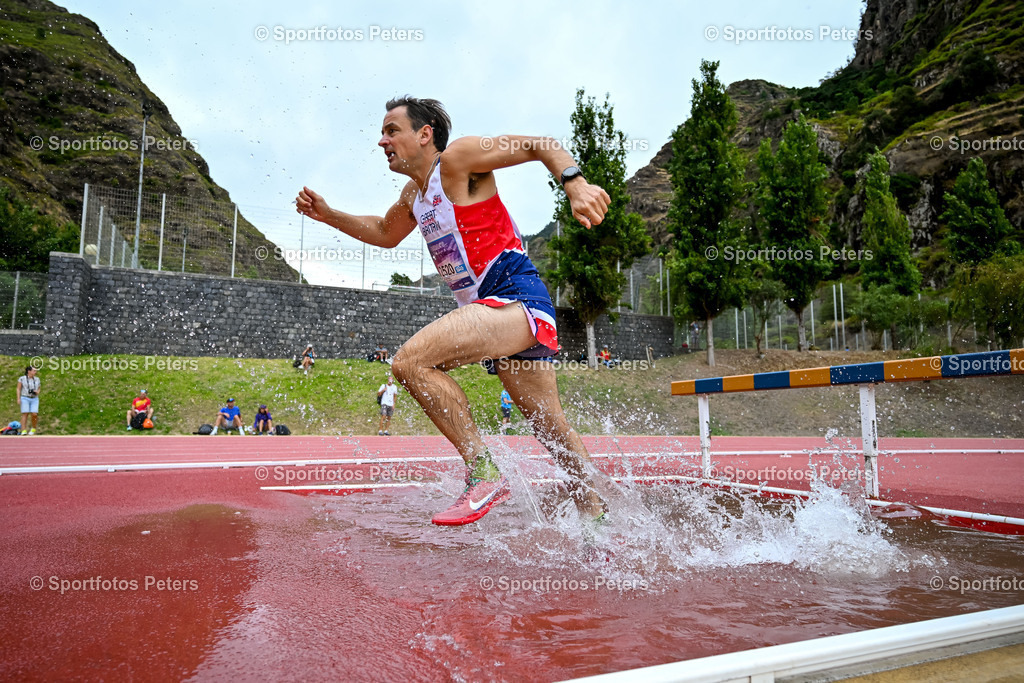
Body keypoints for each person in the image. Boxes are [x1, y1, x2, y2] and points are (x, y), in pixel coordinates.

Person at [297, 96, 610, 526]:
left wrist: (575, 183)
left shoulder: (459, 159)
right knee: (550, 428)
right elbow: (386, 233)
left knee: (409, 362)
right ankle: (598, 520)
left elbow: (541, 143)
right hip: (496, 312)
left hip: (514, 296)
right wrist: (329, 215)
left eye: (392, 130)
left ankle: (484, 473)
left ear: (425, 134)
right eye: (383, 132)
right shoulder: (415, 194)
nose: (382, 140)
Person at [16, 365, 40, 435]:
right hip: (25, 397)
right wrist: (18, 398)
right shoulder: (22, 379)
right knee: (25, 413)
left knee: (34, 414)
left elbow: (39, 387)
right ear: (29, 371)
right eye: (34, 370)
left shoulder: (37, 379)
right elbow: (18, 388)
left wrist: (37, 392)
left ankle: (33, 428)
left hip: (34, 398)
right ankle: (23, 430)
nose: (35, 372)